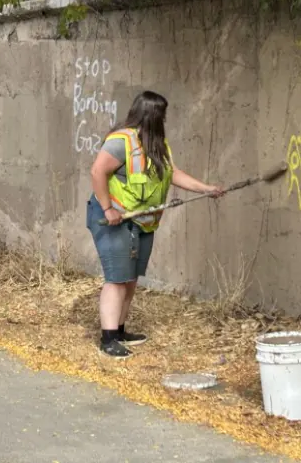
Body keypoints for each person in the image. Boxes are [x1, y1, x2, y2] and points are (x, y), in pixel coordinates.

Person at [86, 91, 225, 358]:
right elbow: (97, 172)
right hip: (113, 220)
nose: (165, 119)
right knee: (116, 279)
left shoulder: (156, 143)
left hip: (142, 222)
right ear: (151, 115)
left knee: (130, 278)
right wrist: (107, 208)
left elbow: (173, 173)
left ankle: (120, 329)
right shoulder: (121, 141)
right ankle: (108, 339)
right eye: (162, 114)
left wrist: (205, 189)